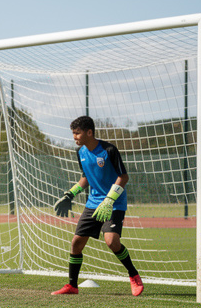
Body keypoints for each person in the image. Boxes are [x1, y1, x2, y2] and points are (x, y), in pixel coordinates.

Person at [51, 115, 143, 296]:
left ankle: (133, 276)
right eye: (73, 134)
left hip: (113, 204)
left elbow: (123, 177)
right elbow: (85, 177)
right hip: (93, 204)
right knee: (76, 244)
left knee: (112, 241)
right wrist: (71, 194)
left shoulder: (109, 150)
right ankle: (72, 286)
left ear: (89, 132)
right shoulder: (81, 153)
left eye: (77, 133)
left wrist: (109, 200)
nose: (74, 137)